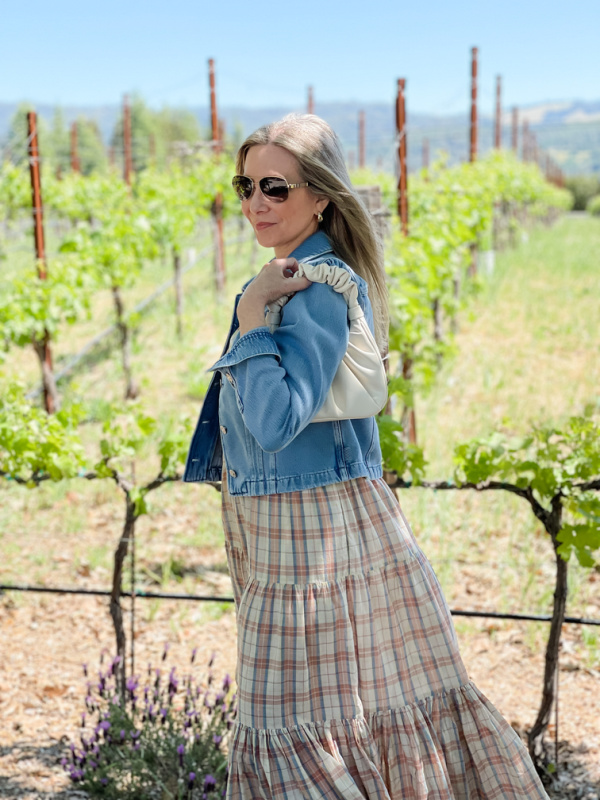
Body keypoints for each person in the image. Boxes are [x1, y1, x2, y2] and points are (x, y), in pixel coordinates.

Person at [183, 114, 549, 800]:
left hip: (309, 529)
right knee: (329, 711)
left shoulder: (312, 287)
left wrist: (254, 315)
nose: (255, 202)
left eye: (274, 187)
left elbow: (273, 421)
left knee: (297, 719)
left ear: (320, 196)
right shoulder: (292, 272)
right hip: (287, 522)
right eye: (244, 185)